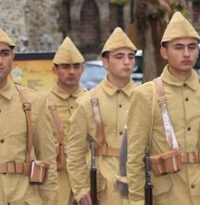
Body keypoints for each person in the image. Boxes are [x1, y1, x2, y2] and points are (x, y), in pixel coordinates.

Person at [126, 12, 200, 205]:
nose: (186, 54)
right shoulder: (146, 95)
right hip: (169, 196)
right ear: (164, 52)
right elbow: (135, 157)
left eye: (192, 47)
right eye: (178, 47)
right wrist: (137, 201)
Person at [66, 27, 137, 205]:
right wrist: (81, 190)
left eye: (131, 56)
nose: (127, 62)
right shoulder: (87, 102)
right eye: (119, 57)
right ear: (105, 62)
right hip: (104, 189)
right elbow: (75, 153)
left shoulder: (145, 98)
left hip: (140, 184)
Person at [0, 26, 58, 205]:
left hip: (23, 198)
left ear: (13, 58)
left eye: (4, 53)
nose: (0, 60)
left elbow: (47, 159)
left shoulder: (34, 102)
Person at [48, 37, 87, 205]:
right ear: (54, 70)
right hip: (57, 181)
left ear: (82, 69)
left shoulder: (92, 101)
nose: (71, 72)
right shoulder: (41, 103)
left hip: (87, 181)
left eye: (76, 66)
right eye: (65, 67)